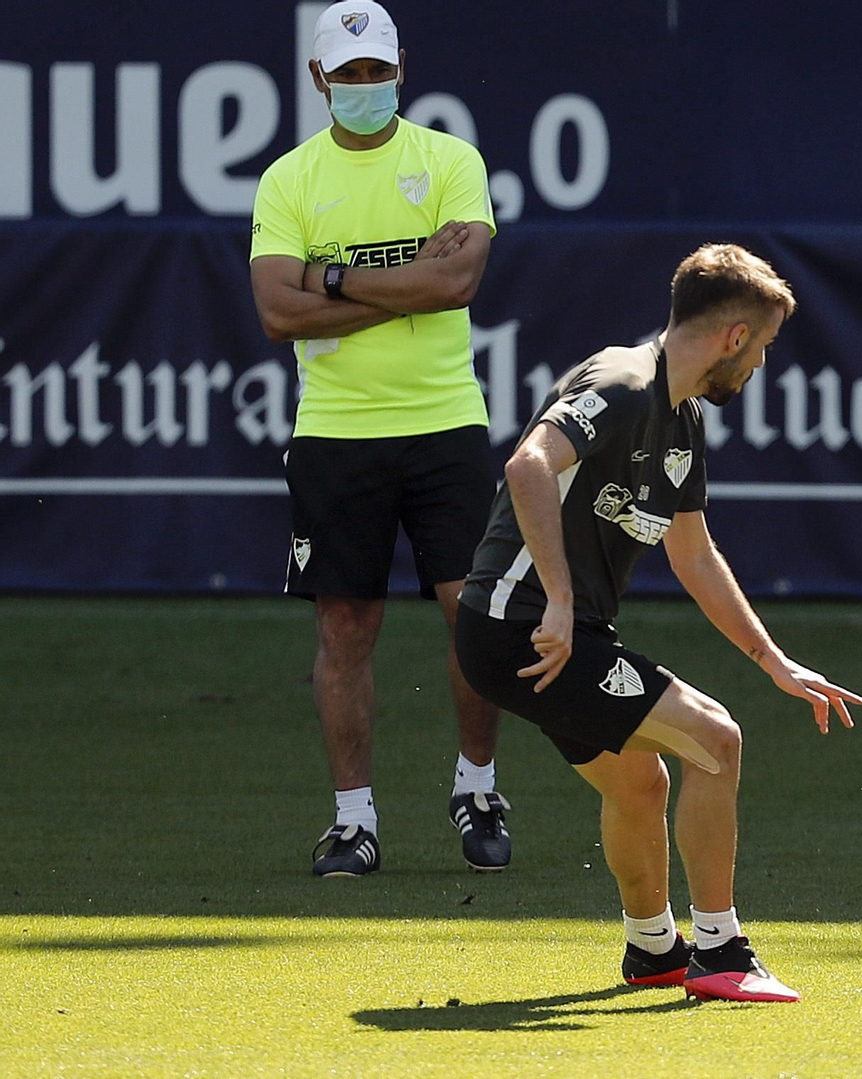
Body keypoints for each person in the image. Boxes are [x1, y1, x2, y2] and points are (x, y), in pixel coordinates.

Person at [454, 243, 862, 1002]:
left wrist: (776, 661)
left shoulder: (681, 423)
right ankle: (721, 950)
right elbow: (527, 465)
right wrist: (562, 600)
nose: (761, 365)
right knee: (717, 739)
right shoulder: (623, 384)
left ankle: (653, 949)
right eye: (764, 347)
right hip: (523, 627)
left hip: (543, 635)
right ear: (734, 338)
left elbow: (695, 555)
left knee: (642, 779)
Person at [248, 0, 513, 878]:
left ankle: (478, 789)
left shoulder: (449, 159)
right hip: (335, 431)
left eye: (378, 71)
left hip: (445, 422)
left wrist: (333, 276)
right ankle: (353, 820)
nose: (365, 87)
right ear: (320, 78)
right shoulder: (288, 179)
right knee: (346, 625)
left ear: (401, 67)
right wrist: (408, 276)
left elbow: (461, 280)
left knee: (472, 617)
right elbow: (278, 311)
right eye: (348, 74)